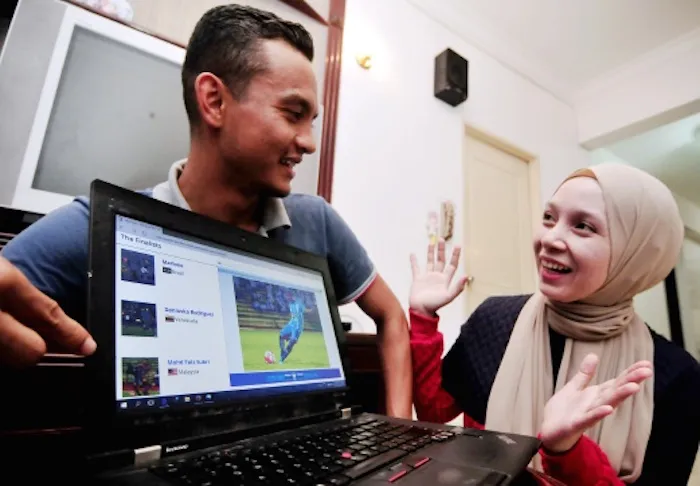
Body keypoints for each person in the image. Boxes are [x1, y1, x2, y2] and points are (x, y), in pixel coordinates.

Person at [0, 5, 412, 417]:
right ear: (214, 101)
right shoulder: (99, 228)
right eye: (293, 114)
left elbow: (391, 314)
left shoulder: (315, 220)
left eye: (312, 121)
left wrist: (399, 426)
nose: (309, 142)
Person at [408, 163, 700, 485]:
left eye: (583, 226)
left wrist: (567, 450)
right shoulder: (495, 319)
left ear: (636, 252)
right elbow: (435, 412)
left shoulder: (677, 375)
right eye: (549, 217)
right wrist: (423, 319)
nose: (550, 238)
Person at [279, 297, 306, 363]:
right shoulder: (290, 304)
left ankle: (282, 359)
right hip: (291, 324)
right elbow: (293, 314)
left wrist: (312, 309)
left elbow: (305, 310)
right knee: (281, 336)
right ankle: (283, 351)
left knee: (292, 342)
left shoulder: (299, 303)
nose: (287, 298)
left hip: (298, 327)